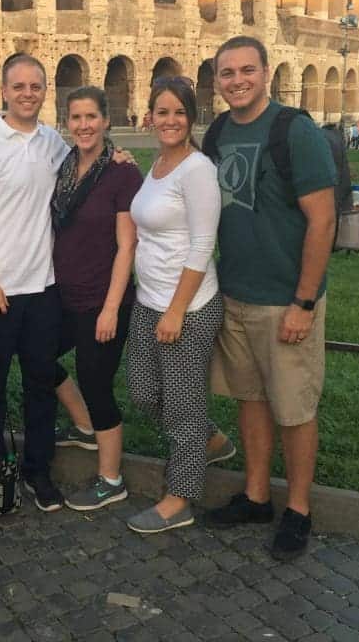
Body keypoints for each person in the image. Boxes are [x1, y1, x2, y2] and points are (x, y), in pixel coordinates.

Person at [205, 36, 337, 561]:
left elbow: (322, 220)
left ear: (266, 74)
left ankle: (299, 509)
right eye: (227, 73)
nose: (237, 81)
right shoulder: (217, 132)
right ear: (217, 80)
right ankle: (257, 496)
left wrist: (303, 303)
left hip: (285, 299)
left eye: (246, 71)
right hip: (235, 292)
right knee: (251, 402)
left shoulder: (293, 130)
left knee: (295, 409)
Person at [0, 54, 69, 513]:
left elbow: (83, 165)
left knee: (41, 383)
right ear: (3, 90)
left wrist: (114, 155)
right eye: (18, 86)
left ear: (45, 91)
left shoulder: (52, 142)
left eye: (35, 86)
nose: (27, 93)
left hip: (41, 286)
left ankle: (37, 470)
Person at [122, 77, 228, 534]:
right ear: (150, 117)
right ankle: (211, 438)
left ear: (191, 117)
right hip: (149, 300)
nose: (169, 120)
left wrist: (177, 311)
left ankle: (180, 498)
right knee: (144, 392)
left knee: (181, 407)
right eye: (161, 112)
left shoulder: (197, 168)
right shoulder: (160, 163)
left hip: (187, 305)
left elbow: (203, 242)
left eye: (178, 113)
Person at [47, 86, 143, 511]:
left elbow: (128, 246)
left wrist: (109, 307)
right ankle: (83, 425)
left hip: (104, 300)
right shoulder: (66, 164)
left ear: (106, 120)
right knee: (36, 355)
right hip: (64, 293)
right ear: (67, 123)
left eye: (91, 117)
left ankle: (111, 479)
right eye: (76, 118)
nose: (84, 125)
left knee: (97, 383)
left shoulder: (122, 173)